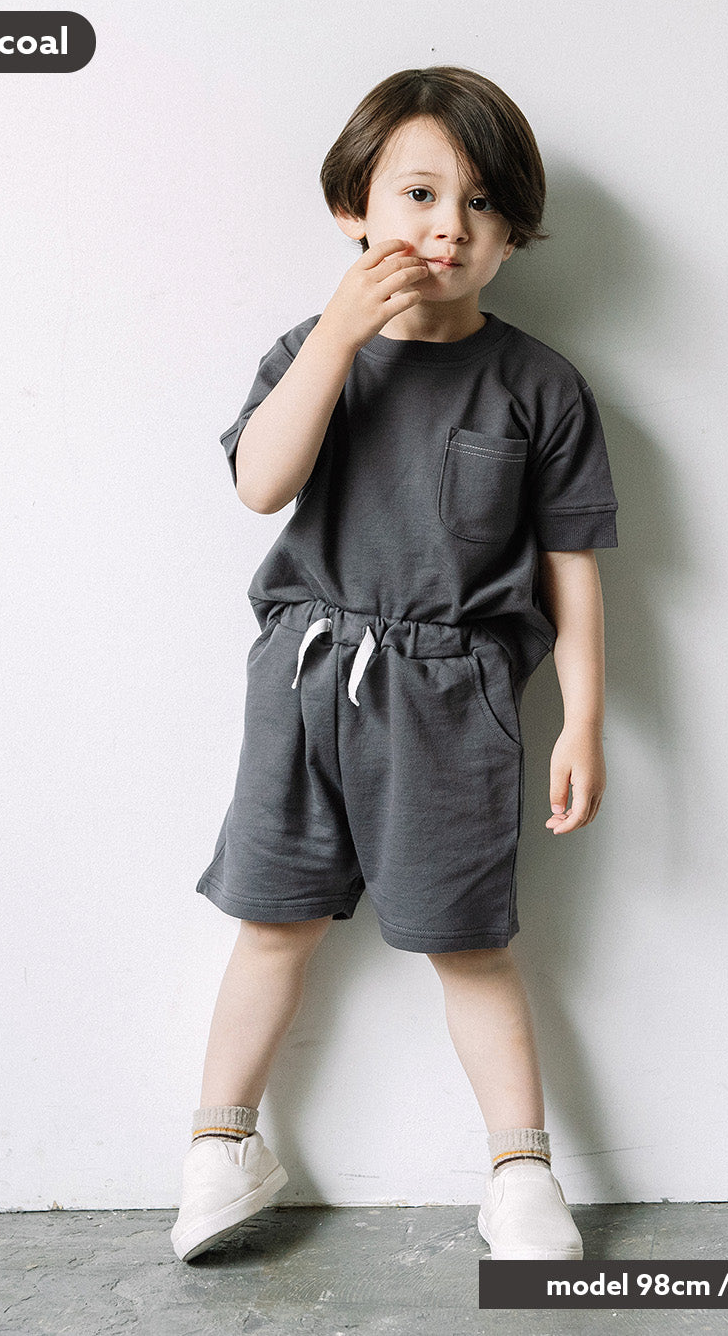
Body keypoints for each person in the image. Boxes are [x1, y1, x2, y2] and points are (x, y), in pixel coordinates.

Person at [171, 66, 617, 1264]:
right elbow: (260, 483)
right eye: (418, 194)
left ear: (514, 233)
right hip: (305, 681)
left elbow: (572, 566)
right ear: (351, 210)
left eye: (483, 203)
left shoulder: (540, 386)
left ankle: (520, 1172)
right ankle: (220, 1145)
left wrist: (583, 720)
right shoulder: (309, 350)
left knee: (467, 942)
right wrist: (336, 335)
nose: (448, 227)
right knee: (273, 918)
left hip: (454, 697)